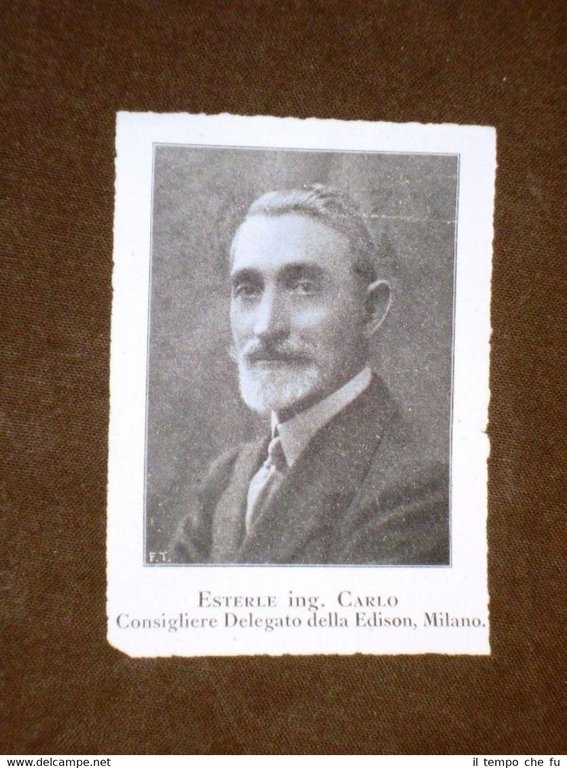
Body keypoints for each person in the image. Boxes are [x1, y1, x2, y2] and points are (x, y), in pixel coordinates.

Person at [171, 184, 449, 565]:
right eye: (248, 290)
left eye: (303, 288)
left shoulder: (416, 487)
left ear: (370, 309)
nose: (266, 327)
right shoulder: (226, 479)